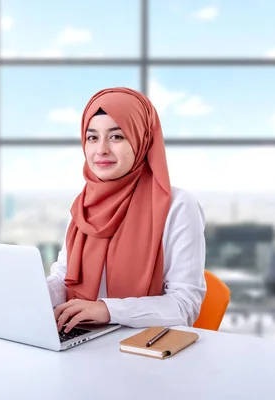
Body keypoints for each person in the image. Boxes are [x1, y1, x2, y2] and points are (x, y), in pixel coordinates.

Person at [46, 87, 207, 333]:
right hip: (81, 339)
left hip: (143, 349)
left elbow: (184, 306)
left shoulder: (178, 206)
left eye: (117, 136)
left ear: (142, 139)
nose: (101, 150)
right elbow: (64, 277)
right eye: (92, 137)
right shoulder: (82, 206)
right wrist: (32, 293)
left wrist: (106, 310)